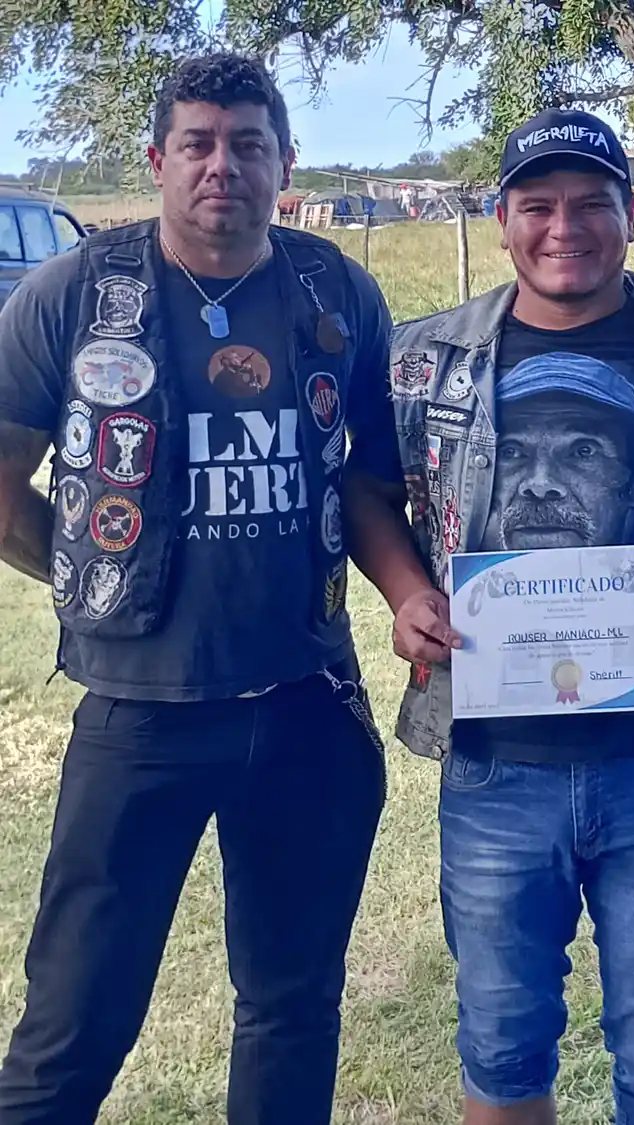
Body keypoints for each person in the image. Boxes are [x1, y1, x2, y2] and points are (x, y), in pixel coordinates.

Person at [342, 108, 634, 1125]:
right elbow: (367, 493)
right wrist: (406, 592)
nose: (563, 227)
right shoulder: (426, 357)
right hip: (496, 764)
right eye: (537, 205)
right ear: (502, 219)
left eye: (591, 204)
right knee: (502, 1041)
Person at [0, 53, 392, 1124]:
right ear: (158, 159)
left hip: (306, 701)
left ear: (286, 163)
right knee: (73, 1023)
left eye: (249, 144)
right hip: (140, 712)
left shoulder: (336, 290)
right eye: (199, 144)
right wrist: (91, 571)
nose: (224, 165)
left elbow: (375, 478)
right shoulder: (77, 290)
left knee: (293, 1008)